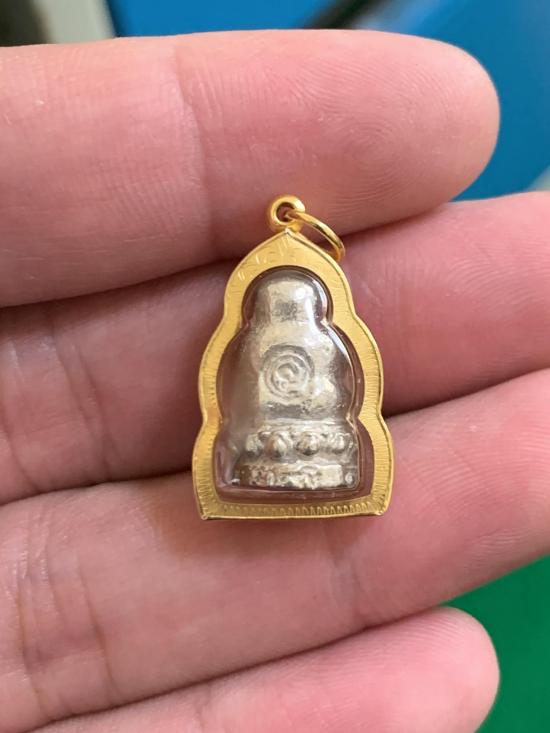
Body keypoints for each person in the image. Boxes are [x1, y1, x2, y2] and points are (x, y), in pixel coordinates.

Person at [0, 29, 547, 733]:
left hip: (313, 440)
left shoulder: (325, 340)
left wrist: (313, 398)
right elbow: (248, 398)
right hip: (265, 444)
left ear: (318, 308)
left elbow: (337, 393)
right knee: (267, 428)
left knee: (315, 420)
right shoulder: (257, 339)